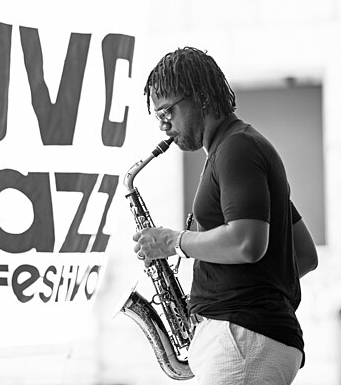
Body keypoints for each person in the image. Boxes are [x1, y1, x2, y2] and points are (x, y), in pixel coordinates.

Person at [133, 47, 319, 385]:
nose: (163, 124)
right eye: (157, 114)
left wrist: (175, 242)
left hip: (243, 340)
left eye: (168, 111)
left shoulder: (237, 149)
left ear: (202, 97)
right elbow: (304, 256)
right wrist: (224, 290)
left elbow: (247, 244)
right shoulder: (238, 147)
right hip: (247, 339)